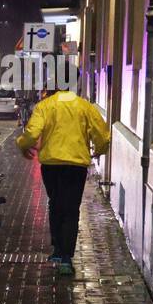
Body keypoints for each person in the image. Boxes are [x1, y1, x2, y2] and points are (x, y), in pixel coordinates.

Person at [16, 88, 111, 276]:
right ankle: (67, 257)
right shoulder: (85, 106)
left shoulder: (45, 105)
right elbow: (101, 133)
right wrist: (100, 148)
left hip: (51, 164)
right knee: (71, 209)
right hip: (76, 165)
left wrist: (23, 146)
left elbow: (32, 131)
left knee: (55, 203)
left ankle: (58, 250)